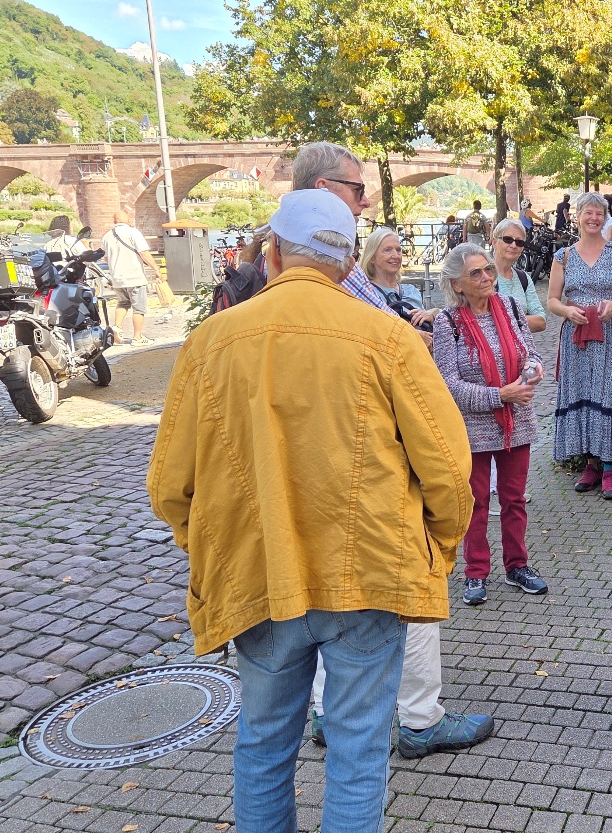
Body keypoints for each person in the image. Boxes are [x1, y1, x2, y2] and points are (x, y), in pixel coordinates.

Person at [147, 188, 474, 831]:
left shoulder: (210, 342)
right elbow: (446, 466)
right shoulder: (387, 337)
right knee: (356, 750)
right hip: (369, 570)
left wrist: (215, 543)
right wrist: (437, 548)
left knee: (264, 745)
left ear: (270, 254)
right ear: (350, 263)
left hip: (258, 572)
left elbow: (169, 486)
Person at [290, 141, 494, 760]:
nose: (367, 198)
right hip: (372, 450)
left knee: (324, 586)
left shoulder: (297, 266)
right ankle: (419, 718)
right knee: (416, 578)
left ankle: (330, 712)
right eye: (358, 190)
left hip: (313, 453)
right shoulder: (338, 273)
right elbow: (389, 362)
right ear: (326, 190)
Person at [433, 243, 550, 606]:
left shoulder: (513, 308)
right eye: (476, 273)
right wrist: (501, 395)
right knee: (477, 501)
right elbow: (449, 386)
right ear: (457, 285)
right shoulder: (447, 322)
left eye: (487, 270)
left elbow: (530, 352)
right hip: (474, 429)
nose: (487, 278)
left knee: (515, 499)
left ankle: (517, 565)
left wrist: (532, 372)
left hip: (518, 422)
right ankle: (475, 572)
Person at [547, 191, 612, 499]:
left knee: (607, 390)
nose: (593, 218)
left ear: (605, 218)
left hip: (609, 333)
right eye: (588, 212)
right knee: (582, 391)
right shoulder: (564, 256)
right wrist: (566, 311)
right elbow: (551, 300)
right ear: (578, 215)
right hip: (576, 336)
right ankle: (590, 464)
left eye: (599, 213)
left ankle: (610, 467)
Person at [360, 226, 435, 341]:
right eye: (387, 250)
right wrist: (413, 336)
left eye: (398, 250)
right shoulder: (367, 294)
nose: (395, 255)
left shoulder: (411, 291)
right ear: (372, 257)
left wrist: (431, 315)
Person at [100, 210, 157, 345]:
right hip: (134, 276)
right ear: (128, 220)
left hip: (117, 278)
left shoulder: (106, 236)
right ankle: (138, 337)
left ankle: (117, 327)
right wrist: (156, 268)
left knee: (123, 303)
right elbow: (144, 253)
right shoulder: (133, 232)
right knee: (139, 308)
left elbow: (106, 258)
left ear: (115, 221)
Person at [491, 218, 546, 333]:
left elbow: (541, 321)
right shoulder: (484, 277)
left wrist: (504, 320)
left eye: (519, 242)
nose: (513, 245)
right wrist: (523, 320)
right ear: (494, 242)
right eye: (508, 239)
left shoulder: (523, 278)